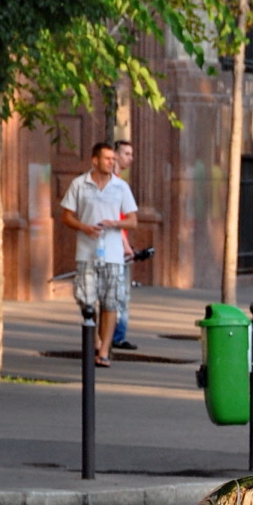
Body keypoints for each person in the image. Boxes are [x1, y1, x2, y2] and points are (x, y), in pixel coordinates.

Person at [59, 143, 137, 368]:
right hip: (87, 252)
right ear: (95, 161)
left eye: (113, 159)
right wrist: (84, 227)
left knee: (111, 301)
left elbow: (133, 220)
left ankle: (103, 352)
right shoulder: (80, 185)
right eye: (107, 159)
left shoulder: (120, 187)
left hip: (113, 254)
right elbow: (66, 216)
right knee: (86, 299)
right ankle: (95, 340)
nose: (112, 163)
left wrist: (116, 223)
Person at [110, 140, 136, 351]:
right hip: (117, 248)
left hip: (118, 246)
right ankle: (117, 335)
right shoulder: (116, 185)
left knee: (118, 294)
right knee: (120, 294)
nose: (131, 158)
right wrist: (126, 246)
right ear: (116, 156)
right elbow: (118, 220)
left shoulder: (116, 183)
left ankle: (114, 334)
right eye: (127, 153)